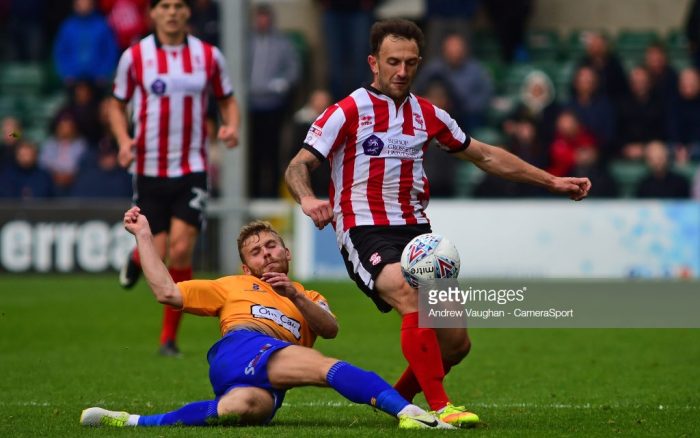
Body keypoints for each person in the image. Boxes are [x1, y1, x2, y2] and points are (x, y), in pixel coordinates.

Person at [285, 18, 591, 428]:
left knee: (455, 343)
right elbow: (298, 164)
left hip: (417, 235)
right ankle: (440, 408)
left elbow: (484, 155)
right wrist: (307, 198)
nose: (402, 71)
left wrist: (551, 179)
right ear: (373, 62)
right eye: (393, 62)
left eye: (410, 63)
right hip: (364, 229)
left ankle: (397, 402)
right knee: (410, 298)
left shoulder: (429, 115)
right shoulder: (346, 111)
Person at [79, 207, 453, 430]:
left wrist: (293, 294)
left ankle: (130, 421)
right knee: (326, 367)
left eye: (271, 246)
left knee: (244, 409)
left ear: (287, 251)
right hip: (241, 347)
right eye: (256, 253)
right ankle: (411, 413)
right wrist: (143, 236)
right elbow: (166, 291)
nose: (266, 254)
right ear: (247, 266)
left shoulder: (308, 295)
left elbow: (330, 328)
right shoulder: (232, 285)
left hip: (267, 380)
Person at [109, 0, 240, 356]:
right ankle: (137, 260)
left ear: (187, 12)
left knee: (181, 248)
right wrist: (123, 141)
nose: (171, 12)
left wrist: (231, 127)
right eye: (164, 5)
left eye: (178, 5)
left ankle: (168, 339)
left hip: (191, 167)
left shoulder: (208, 55)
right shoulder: (135, 57)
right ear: (152, 13)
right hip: (149, 168)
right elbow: (116, 104)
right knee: (160, 249)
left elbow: (227, 99)